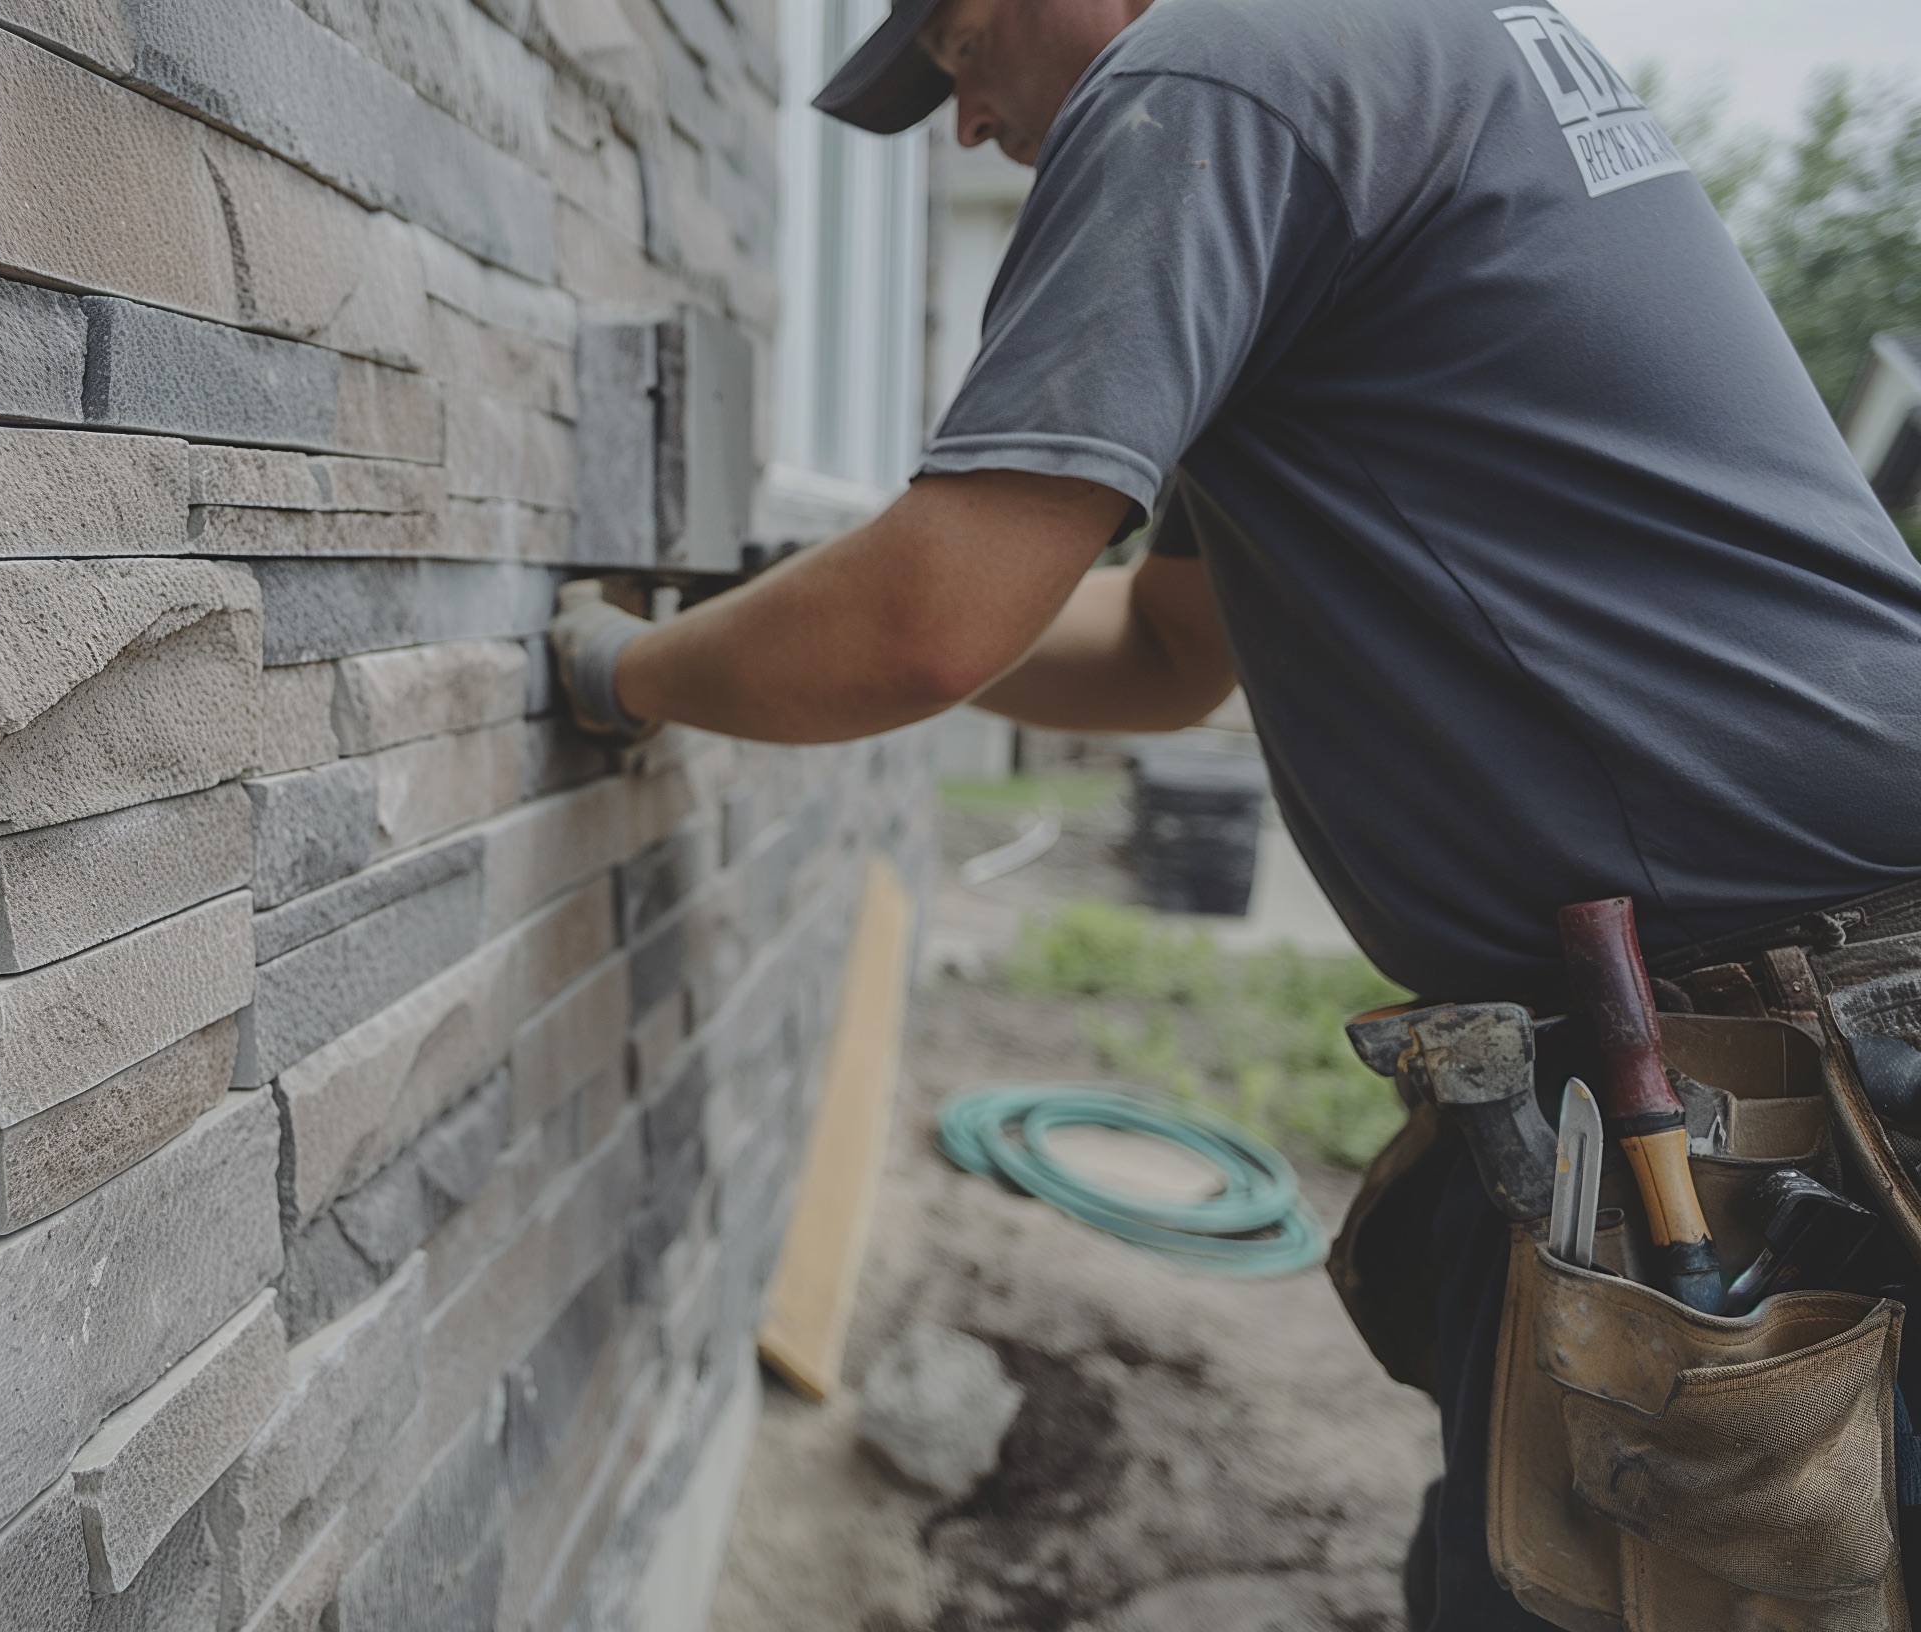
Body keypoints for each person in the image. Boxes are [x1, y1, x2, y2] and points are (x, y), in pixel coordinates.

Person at [549, 0, 1921, 1626]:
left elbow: (930, 618)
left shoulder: (1219, 71)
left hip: (1782, 1054)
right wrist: (777, 609)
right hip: (1767, 1008)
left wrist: (625, 668)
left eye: (956, 49)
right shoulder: (1359, 57)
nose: (968, 124)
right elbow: (1160, 641)